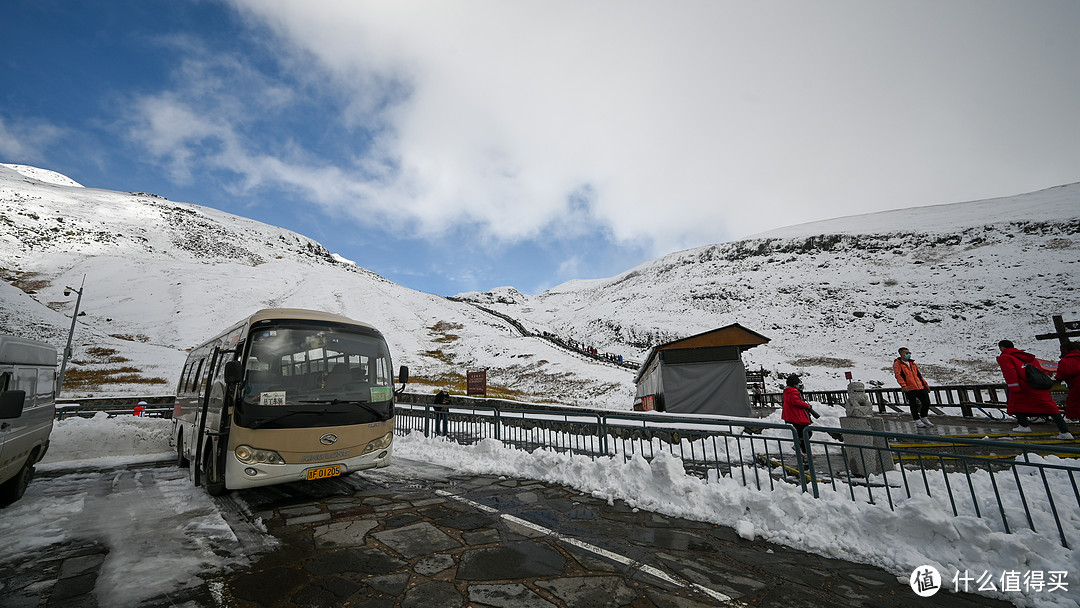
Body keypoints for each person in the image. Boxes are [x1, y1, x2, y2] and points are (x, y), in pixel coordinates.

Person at [997, 340, 1073, 439]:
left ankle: (1023, 425)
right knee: (1050, 407)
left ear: (1002, 348)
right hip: (1037, 384)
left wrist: (1013, 386)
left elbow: (1010, 372)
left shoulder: (1005, 357)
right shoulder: (1026, 356)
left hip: (1023, 386)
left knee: (1017, 404)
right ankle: (1064, 431)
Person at [893, 347, 933, 428]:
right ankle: (917, 420)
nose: (908, 354)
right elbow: (898, 375)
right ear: (901, 354)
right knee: (913, 404)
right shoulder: (898, 364)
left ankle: (923, 417)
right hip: (909, 388)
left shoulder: (913, 363)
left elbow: (919, 375)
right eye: (906, 353)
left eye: (909, 353)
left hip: (920, 386)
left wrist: (926, 385)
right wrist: (903, 385)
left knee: (926, 402)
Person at [781, 374, 817, 457]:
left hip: (793, 416)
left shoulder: (787, 391)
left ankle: (800, 448)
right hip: (797, 416)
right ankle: (804, 451)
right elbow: (796, 402)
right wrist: (807, 406)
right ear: (794, 384)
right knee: (805, 433)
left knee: (802, 433)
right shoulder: (793, 391)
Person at [1057, 341, 1080, 421]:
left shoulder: (1066, 361)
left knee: (1073, 403)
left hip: (1077, 385)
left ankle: (1075, 417)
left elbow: (1061, 375)